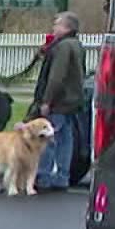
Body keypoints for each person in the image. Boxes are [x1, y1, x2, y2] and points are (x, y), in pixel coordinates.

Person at [30, 12, 85, 193]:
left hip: (59, 101)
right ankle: (63, 176)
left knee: (49, 139)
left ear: (67, 28)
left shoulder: (62, 48)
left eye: (57, 25)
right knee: (66, 140)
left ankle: (43, 176)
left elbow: (56, 76)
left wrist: (47, 100)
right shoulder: (77, 45)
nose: (54, 28)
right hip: (72, 100)